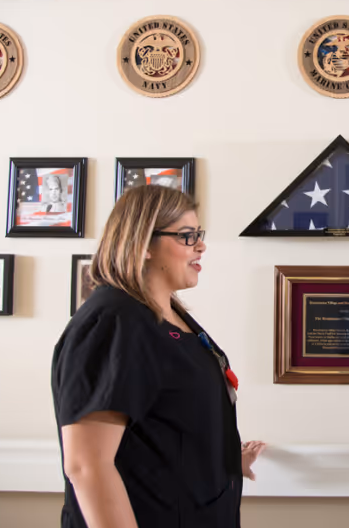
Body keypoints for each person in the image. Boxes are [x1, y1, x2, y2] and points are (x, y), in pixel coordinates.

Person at [51, 185, 265, 528]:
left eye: (199, 234)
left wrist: (223, 459)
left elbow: (162, 423)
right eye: (186, 236)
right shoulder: (114, 321)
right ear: (143, 243)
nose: (201, 245)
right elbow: (87, 465)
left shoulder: (168, 316)